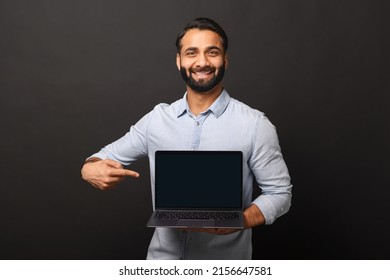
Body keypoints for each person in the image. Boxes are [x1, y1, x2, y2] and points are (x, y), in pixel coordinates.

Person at [81, 17, 292, 259]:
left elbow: (280, 194)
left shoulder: (255, 124)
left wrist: (241, 220)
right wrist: (89, 169)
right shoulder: (156, 119)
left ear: (225, 59)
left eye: (212, 52)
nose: (202, 62)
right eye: (192, 53)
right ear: (179, 61)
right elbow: (99, 159)